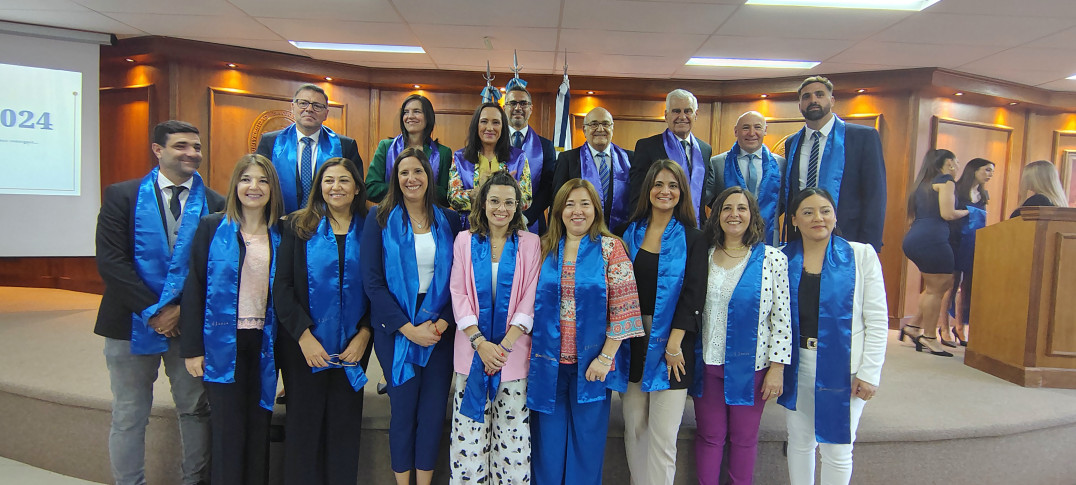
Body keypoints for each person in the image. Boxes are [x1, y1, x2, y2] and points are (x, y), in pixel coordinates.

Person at [94, 120, 222, 485]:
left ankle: (193, 481)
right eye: (181, 146)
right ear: (158, 150)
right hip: (129, 324)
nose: (191, 154)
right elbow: (111, 262)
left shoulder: (215, 202)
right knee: (129, 413)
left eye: (196, 147)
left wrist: (182, 309)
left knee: (195, 411)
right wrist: (155, 311)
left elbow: (217, 268)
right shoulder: (122, 195)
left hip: (189, 326)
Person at [528, 179, 645, 485]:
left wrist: (606, 358)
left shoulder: (611, 248)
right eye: (569, 204)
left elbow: (625, 308)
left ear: (596, 209)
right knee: (547, 448)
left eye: (584, 204)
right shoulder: (543, 247)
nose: (577, 211)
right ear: (557, 211)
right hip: (548, 365)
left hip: (591, 366)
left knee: (586, 447)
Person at [180, 154, 284, 485]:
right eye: (246, 179)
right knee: (227, 427)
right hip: (223, 341)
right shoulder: (212, 227)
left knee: (259, 424)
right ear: (235, 184)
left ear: (272, 188)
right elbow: (194, 286)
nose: (254, 187)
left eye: (263, 180)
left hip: (266, 341)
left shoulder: (282, 233)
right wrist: (193, 348)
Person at [362, 147, 462, 485]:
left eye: (417, 172)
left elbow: (459, 280)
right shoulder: (378, 219)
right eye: (404, 173)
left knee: (433, 412)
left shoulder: (448, 219)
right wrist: (408, 329)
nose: (411, 179)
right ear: (395, 178)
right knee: (403, 410)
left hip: (439, 327)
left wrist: (442, 323)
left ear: (428, 177)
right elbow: (372, 283)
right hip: (395, 326)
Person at [273, 157, 373, 485]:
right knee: (304, 429)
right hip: (304, 347)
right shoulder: (298, 226)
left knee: (344, 430)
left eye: (344, 180)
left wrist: (364, 335)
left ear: (357, 187)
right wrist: (304, 337)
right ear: (319, 186)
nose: (336, 187)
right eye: (329, 181)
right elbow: (282, 287)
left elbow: (381, 286)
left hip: (353, 346)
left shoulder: (372, 226)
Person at [780, 188, 888, 485]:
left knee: (837, 447)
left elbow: (877, 320)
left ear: (835, 215)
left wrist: (870, 373)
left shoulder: (860, 254)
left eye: (825, 210)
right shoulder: (780, 258)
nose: (818, 218)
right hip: (798, 363)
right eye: (808, 212)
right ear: (794, 220)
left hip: (846, 368)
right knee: (800, 441)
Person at [611, 160, 706, 485]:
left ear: (682, 193)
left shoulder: (694, 238)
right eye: (658, 184)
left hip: (674, 345)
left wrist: (674, 345)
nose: (665, 191)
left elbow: (693, 295)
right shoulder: (630, 233)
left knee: (663, 436)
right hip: (633, 339)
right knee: (635, 428)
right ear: (647, 189)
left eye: (673, 186)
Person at [448, 171, 542, 484]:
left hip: (511, 358)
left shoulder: (530, 244)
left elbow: (530, 298)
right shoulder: (464, 241)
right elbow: (458, 293)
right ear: (483, 203)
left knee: (512, 444)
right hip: (471, 354)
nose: (501, 208)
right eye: (494, 200)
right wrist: (479, 342)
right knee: (469, 441)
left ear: (518, 207)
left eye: (509, 202)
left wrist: (502, 347)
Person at [694, 187, 791, 485]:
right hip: (708, 363)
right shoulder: (703, 256)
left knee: (744, 439)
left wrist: (777, 369)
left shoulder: (772, 259)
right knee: (710, 437)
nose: (734, 214)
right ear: (717, 215)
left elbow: (782, 318)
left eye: (742, 208)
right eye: (726, 208)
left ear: (752, 216)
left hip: (752, 367)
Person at [782, 76, 886, 251]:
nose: (813, 100)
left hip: (848, 238)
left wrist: (869, 246)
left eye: (819, 94)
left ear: (832, 101)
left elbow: (875, 195)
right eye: (806, 97)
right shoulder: (792, 143)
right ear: (800, 106)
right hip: (801, 239)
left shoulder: (862, 137)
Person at [256, 83, 363, 213]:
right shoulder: (271, 142)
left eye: (317, 106)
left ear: (326, 114)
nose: (309, 109)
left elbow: (356, 189)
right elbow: (260, 182)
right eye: (303, 103)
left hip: (329, 224)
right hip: (280, 221)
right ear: (292, 107)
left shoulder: (345, 145)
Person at [900, 149, 966, 357]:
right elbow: (948, 213)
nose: (957, 165)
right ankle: (929, 337)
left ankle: (913, 327)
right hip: (932, 238)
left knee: (935, 287)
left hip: (916, 236)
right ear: (948, 162)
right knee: (938, 289)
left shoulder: (922, 184)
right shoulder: (946, 180)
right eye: (956, 161)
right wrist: (970, 212)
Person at [630, 89, 714, 227]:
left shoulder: (705, 149)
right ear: (666, 115)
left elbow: (706, 191)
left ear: (696, 114)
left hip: (697, 228)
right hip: (658, 229)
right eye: (676, 111)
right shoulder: (647, 147)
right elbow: (637, 194)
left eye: (688, 111)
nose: (682, 116)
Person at [707, 111, 787, 245]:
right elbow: (713, 202)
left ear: (765, 130)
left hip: (768, 238)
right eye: (745, 127)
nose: (751, 133)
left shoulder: (781, 164)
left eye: (757, 127)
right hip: (728, 238)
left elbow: (783, 202)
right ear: (736, 131)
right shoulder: (717, 164)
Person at [448, 102, 532, 228]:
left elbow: (526, 200)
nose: (489, 128)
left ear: (503, 126)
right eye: (484, 121)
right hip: (471, 228)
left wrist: (506, 188)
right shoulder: (460, 157)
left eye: (496, 122)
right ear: (476, 125)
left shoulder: (518, 157)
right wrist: (479, 193)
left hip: (508, 228)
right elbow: (453, 198)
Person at [552, 107, 634, 230]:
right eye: (594, 124)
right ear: (585, 130)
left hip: (622, 235)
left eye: (606, 124)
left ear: (612, 128)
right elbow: (557, 202)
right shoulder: (568, 159)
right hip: (580, 235)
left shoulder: (630, 158)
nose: (600, 129)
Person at [365, 94, 453, 205]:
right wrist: (405, 187)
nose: (410, 116)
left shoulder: (443, 153)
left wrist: (418, 187)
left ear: (428, 117)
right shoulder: (386, 147)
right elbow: (371, 188)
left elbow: (446, 196)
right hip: (391, 215)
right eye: (406, 112)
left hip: (429, 217)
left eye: (416, 111)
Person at [946, 158, 994, 345]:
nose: (990, 174)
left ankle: (960, 327)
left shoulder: (983, 194)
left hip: (975, 241)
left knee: (968, 286)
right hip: (956, 240)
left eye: (992, 171)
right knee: (951, 284)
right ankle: (943, 327)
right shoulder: (957, 189)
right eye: (987, 170)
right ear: (974, 169)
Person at [505, 86, 557, 234]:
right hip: (496, 217)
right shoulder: (493, 143)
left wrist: (527, 217)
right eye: (512, 103)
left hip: (532, 221)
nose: (518, 108)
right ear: (504, 108)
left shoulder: (545, 146)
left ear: (531, 108)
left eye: (523, 103)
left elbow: (548, 188)